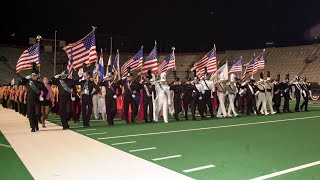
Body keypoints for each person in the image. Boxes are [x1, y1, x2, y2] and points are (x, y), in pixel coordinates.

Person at [20, 63, 48, 132]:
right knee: (30, 115)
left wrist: (42, 96)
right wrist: (27, 77)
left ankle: (36, 124)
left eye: (36, 75)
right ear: (32, 76)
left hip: (37, 101)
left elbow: (46, 91)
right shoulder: (28, 82)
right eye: (34, 75)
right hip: (29, 101)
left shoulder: (40, 84)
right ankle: (33, 127)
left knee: (38, 113)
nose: (35, 77)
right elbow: (19, 82)